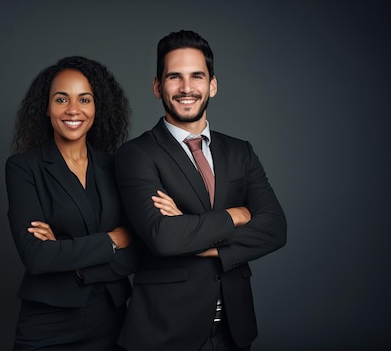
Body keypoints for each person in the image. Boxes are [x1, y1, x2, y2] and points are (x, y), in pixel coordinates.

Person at [115, 30, 287, 350]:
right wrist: (236, 214)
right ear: (157, 86)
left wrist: (197, 237)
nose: (186, 88)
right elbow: (163, 238)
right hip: (165, 333)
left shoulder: (240, 152)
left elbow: (275, 228)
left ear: (212, 85)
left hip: (235, 332)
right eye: (174, 77)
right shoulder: (136, 154)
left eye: (197, 76)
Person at [5, 56, 138, 350]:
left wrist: (72, 261)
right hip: (49, 321)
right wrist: (113, 240)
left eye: (84, 99)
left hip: (112, 318)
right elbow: (37, 257)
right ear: (46, 107)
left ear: (97, 107)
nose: (73, 110)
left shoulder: (116, 166)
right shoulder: (23, 168)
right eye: (61, 99)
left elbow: (139, 249)